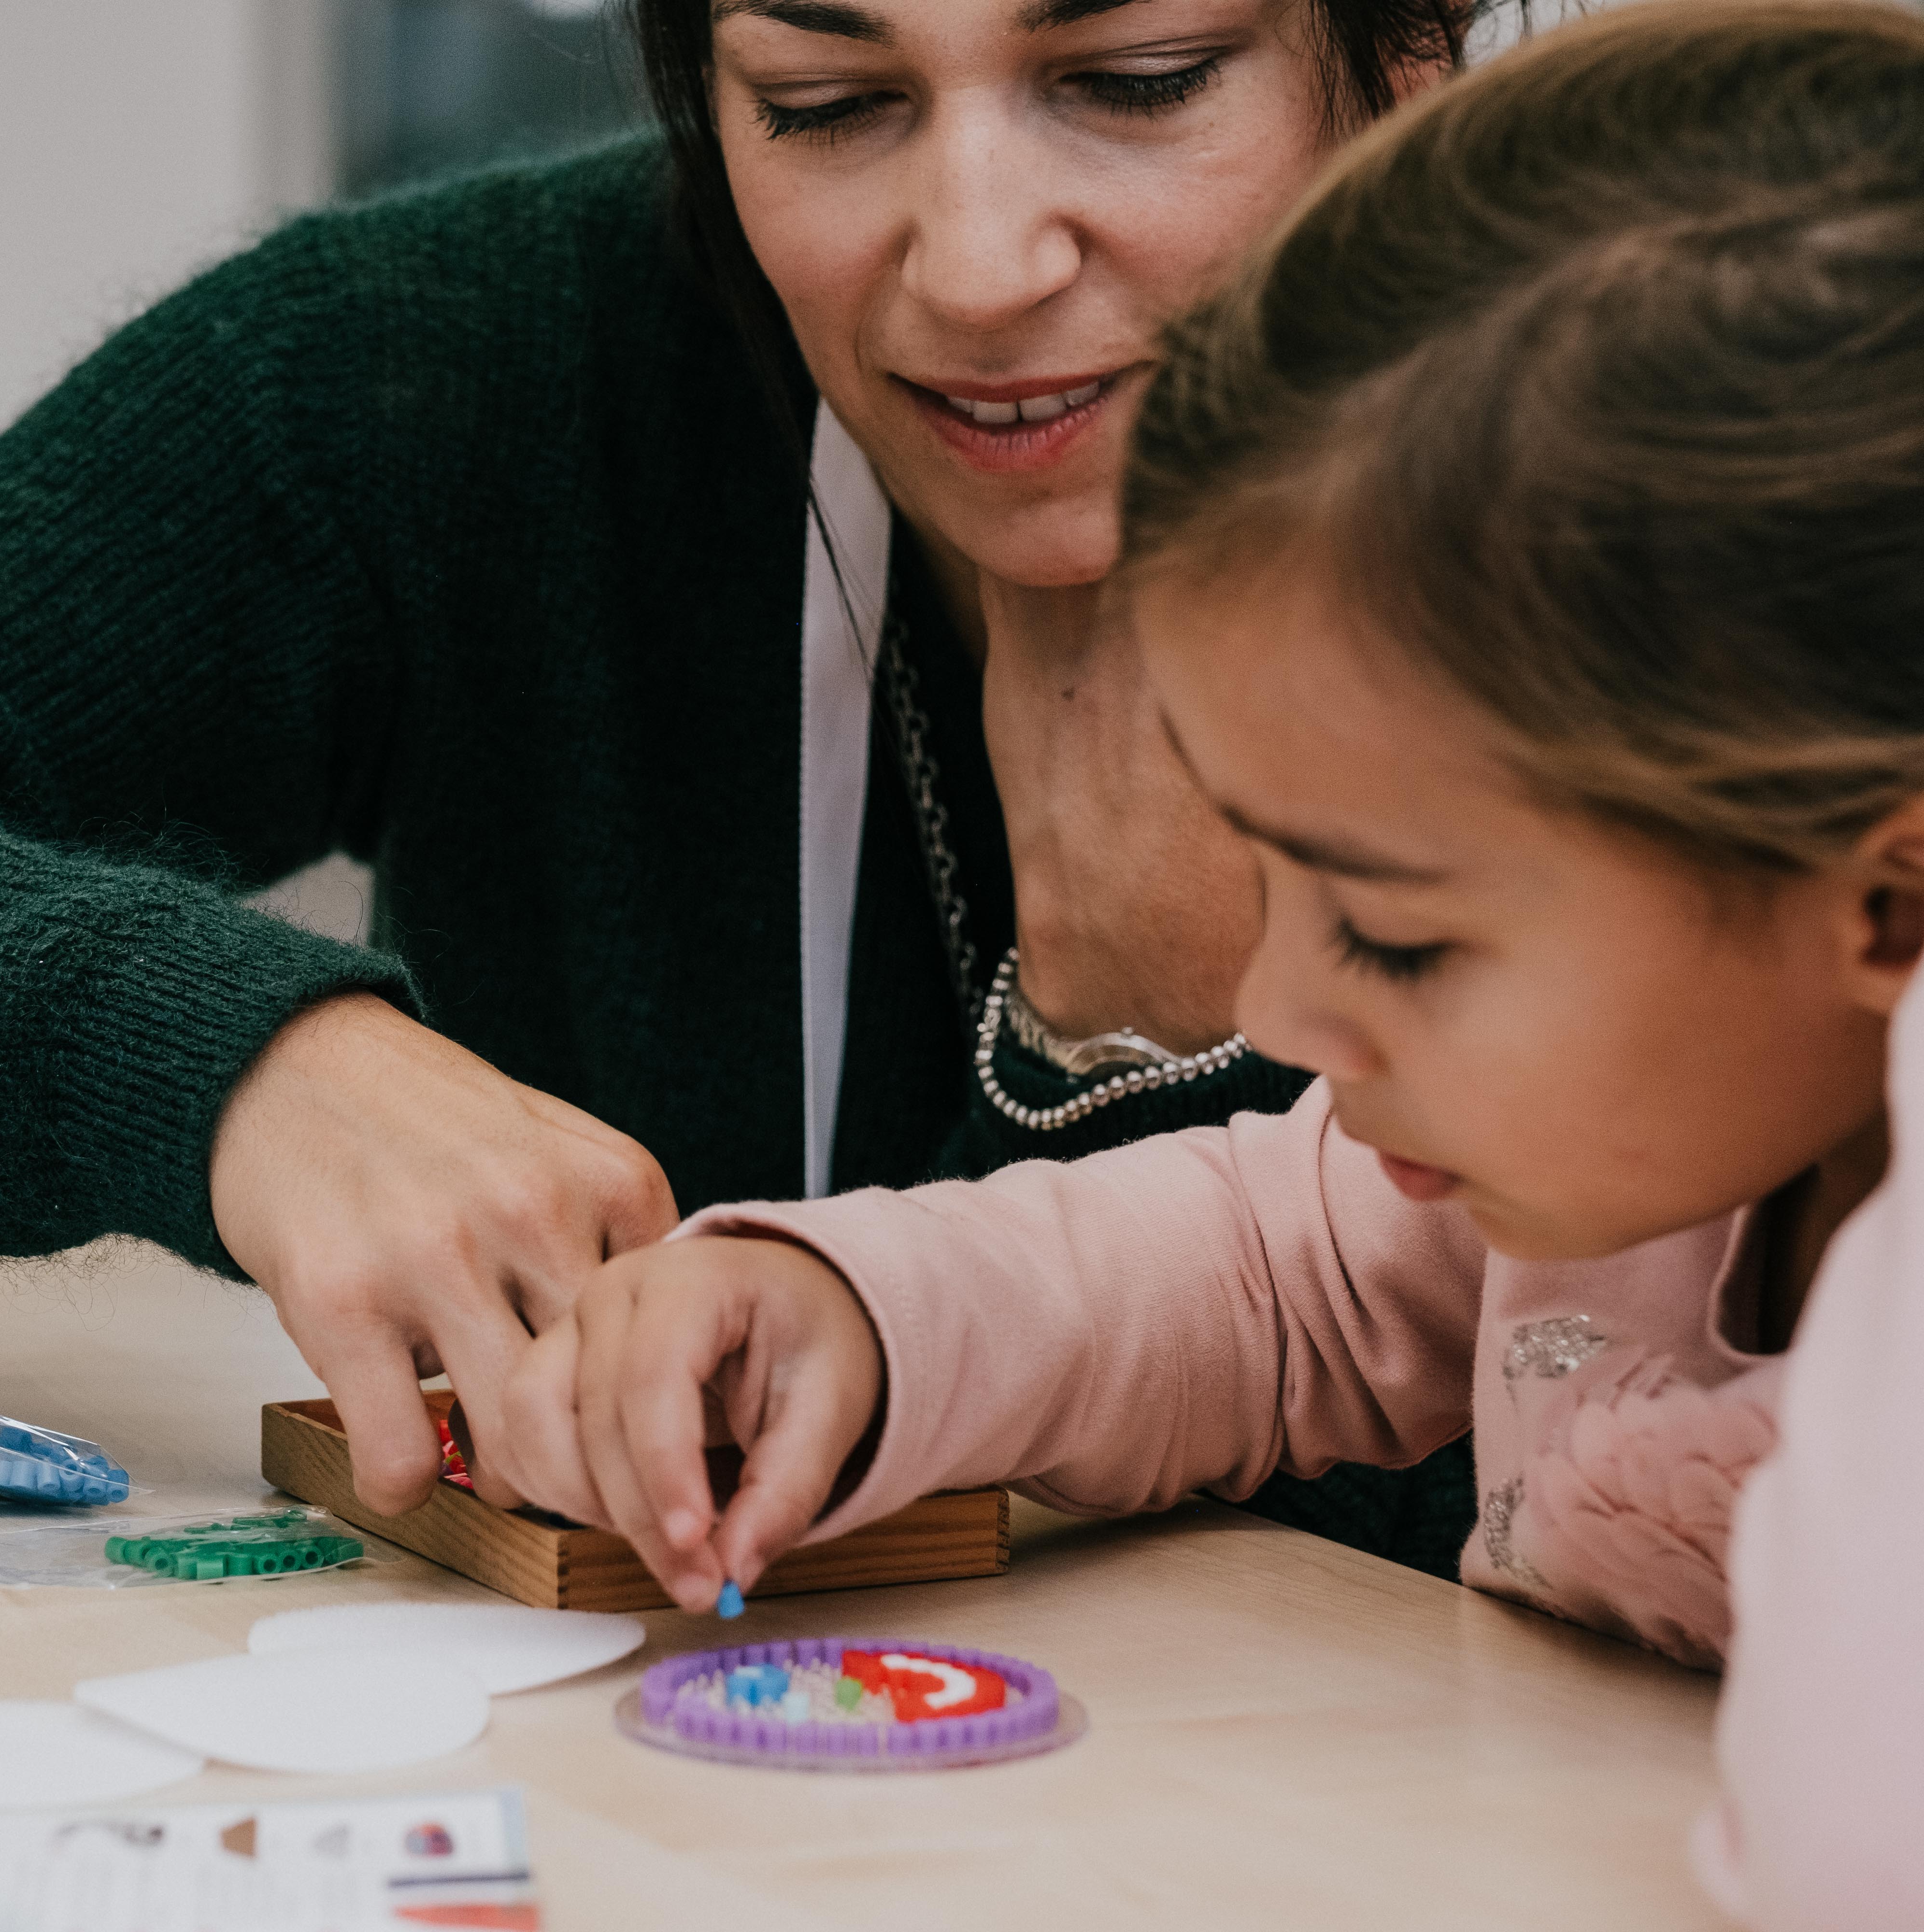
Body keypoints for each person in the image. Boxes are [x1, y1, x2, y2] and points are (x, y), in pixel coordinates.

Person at [0, 0, 1479, 1566]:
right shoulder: (475, 366)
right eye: (826, 101)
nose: (977, 261)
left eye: (1135, 77)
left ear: (1395, 56)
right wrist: (234, 1061)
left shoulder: (1682, 479)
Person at [498, 5, 1924, 1919]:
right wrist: (854, 1305)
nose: (1276, 1018)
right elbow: (1267, 1266)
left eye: (1400, 935)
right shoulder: (1618, 1147)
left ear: (1891, 907)